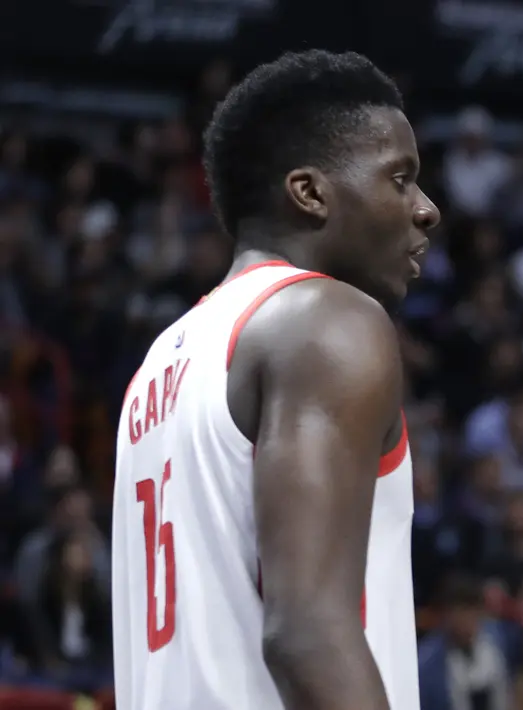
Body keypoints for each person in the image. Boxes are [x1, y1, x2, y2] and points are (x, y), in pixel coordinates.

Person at [111, 50, 439, 710]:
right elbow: (305, 634)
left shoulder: (158, 366)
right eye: (399, 179)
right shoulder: (326, 320)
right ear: (309, 192)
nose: (425, 209)